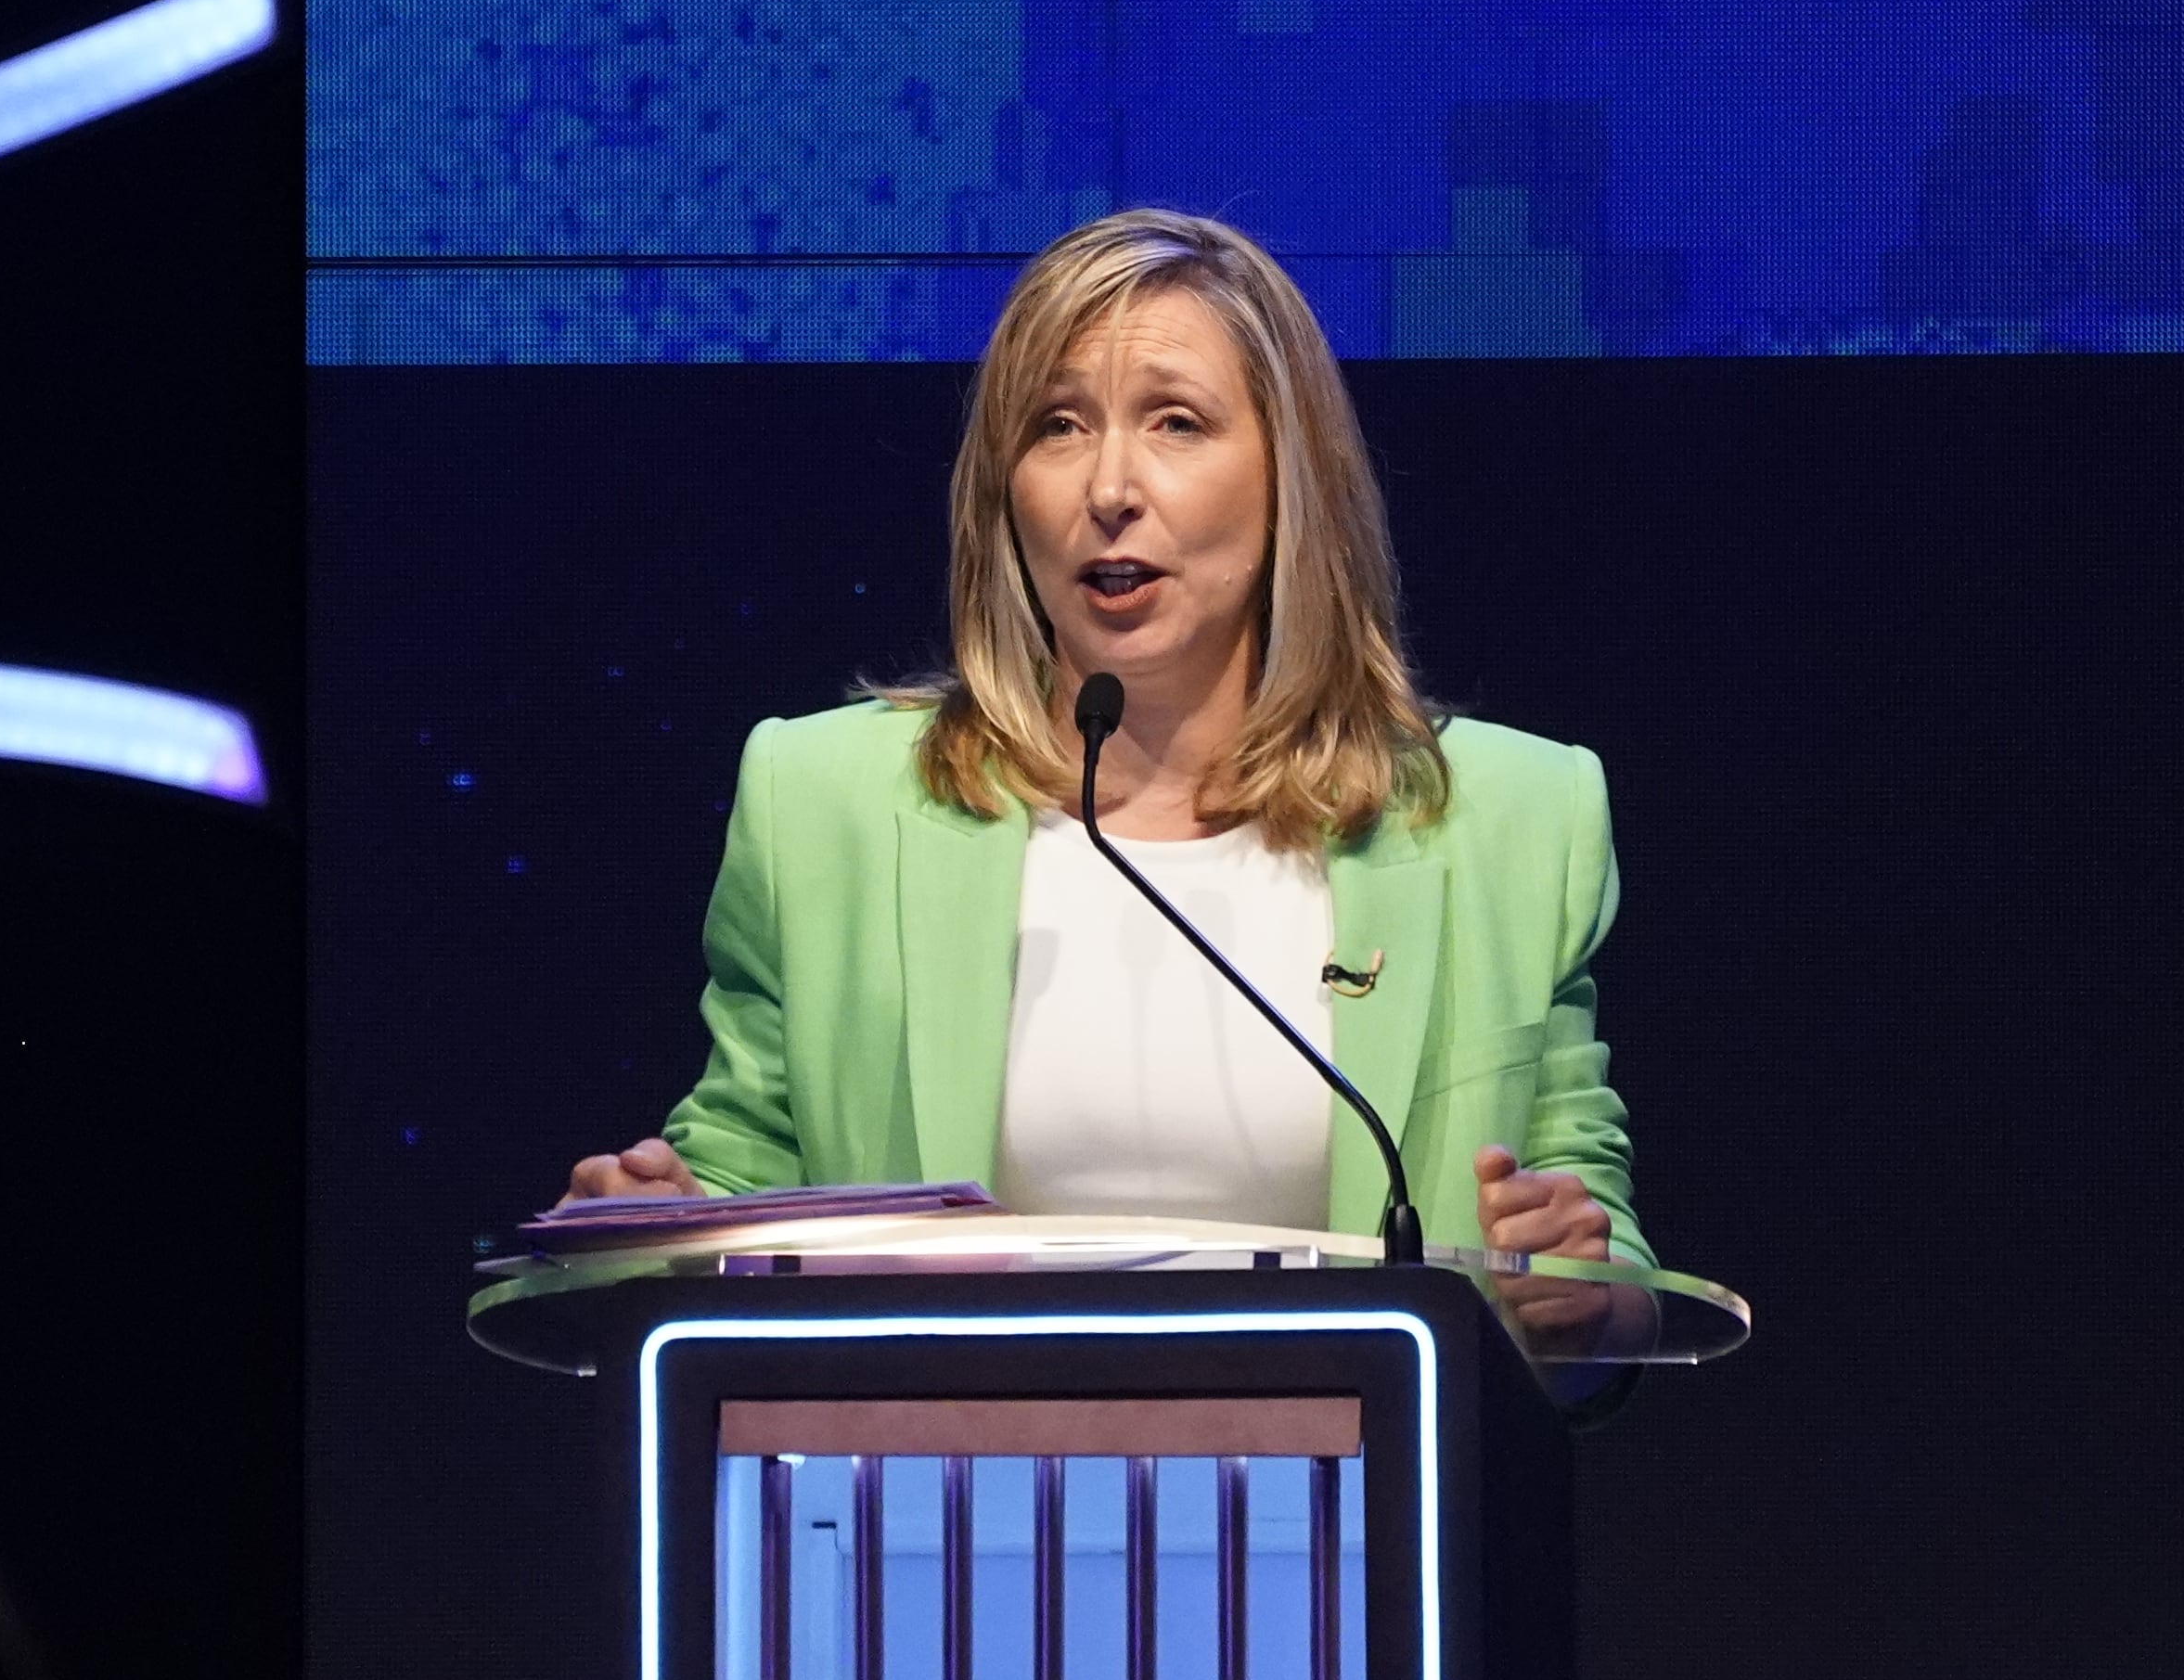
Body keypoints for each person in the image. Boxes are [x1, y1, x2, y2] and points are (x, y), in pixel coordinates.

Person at [564, 208, 1647, 1341]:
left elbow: (1593, 1246)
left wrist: (1578, 1282)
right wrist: (668, 1221)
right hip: (937, 1491)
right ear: (1003, 487)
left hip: (1357, 1491)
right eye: (1057, 426)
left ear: (1292, 477)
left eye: (1177, 423)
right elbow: (748, 1175)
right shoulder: (821, 800)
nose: (1111, 488)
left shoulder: (1507, 820)